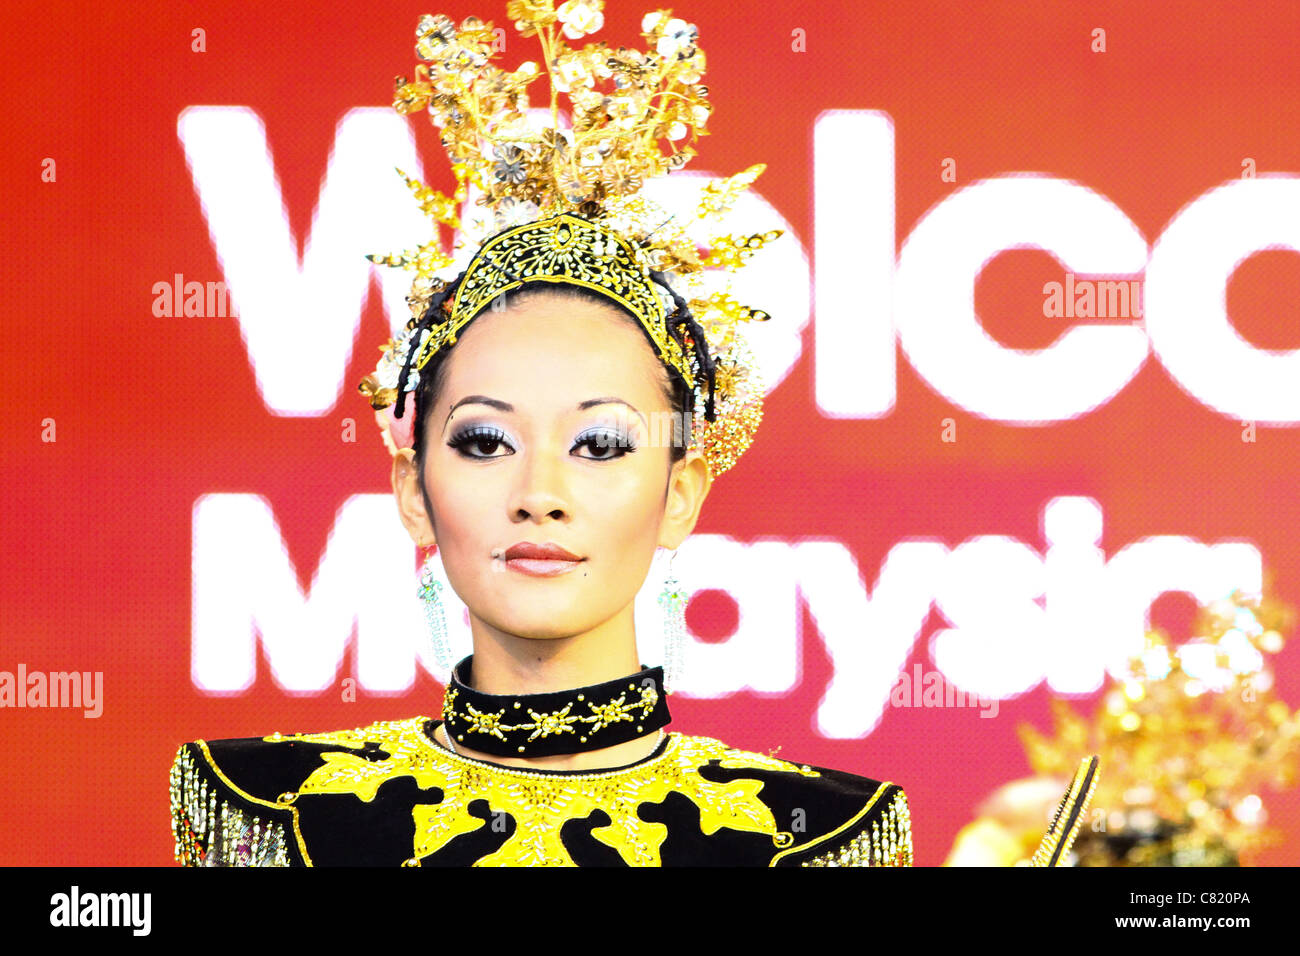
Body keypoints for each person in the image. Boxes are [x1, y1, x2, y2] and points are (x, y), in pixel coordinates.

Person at [169, 2, 912, 867]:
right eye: (486, 442)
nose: (539, 497)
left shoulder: (807, 837)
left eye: (600, 446)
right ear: (413, 490)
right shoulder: (282, 812)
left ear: (680, 493)